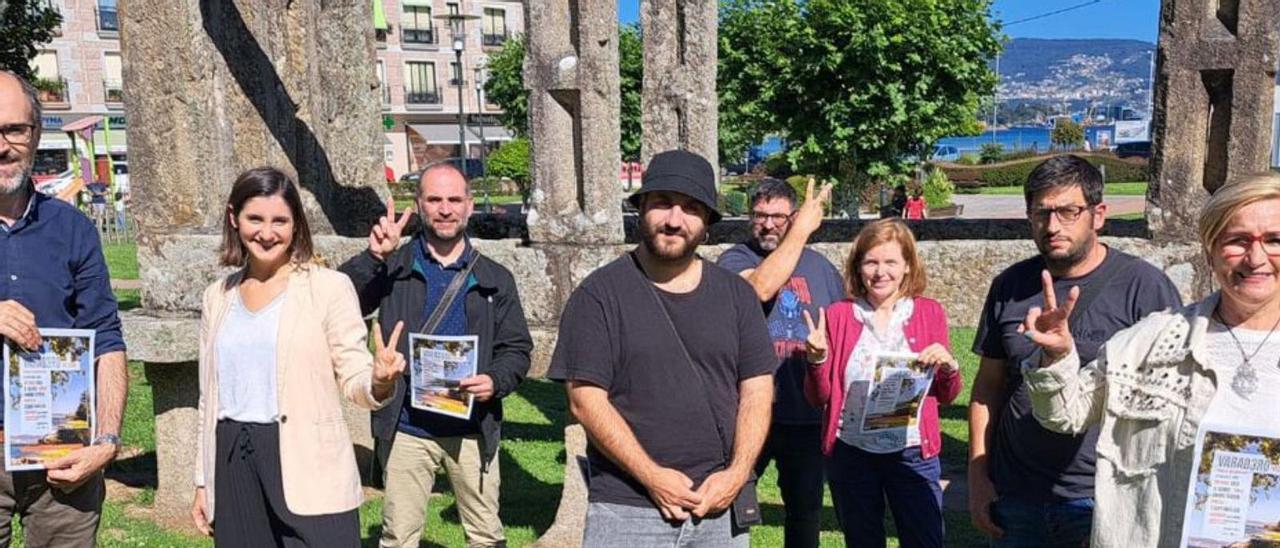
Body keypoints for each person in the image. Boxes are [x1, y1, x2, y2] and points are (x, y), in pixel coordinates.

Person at [1018, 172, 1280, 546]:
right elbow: (1064, 414)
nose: (1256, 258)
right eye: (1237, 241)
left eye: (1274, 240)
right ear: (1211, 250)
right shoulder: (1151, 339)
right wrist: (1057, 355)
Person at [548, 149, 775, 546]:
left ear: (707, 223)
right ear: (641, 210)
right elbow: (585, 400)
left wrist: (737, 474)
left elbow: (757, 390)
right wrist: (652, 477)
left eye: (690, 208)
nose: (674, 219)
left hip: (719, 503)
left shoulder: (737, 296)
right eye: (662, 203)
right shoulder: (599, 296)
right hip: (627, 506)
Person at [967, 155, 1181, 547]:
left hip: (1100, 495)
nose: (1052, 226)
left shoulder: (1144, 288)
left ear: (1098, 215)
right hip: (1017, 495)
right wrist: (978, 475)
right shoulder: (1010, 286)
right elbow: (988, 388)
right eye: (1041, 213)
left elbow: (1167, 408)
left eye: (1068, 211)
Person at [189, 167, 403, 546]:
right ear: (233, 218)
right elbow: (209, 397)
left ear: (296, 225)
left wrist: (379, 379)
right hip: (233, 456)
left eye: (280, 221)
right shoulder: (217, 296)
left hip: (309, 459)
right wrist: (203, 482)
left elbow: (353, 373)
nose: (267, 233)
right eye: (255, 218)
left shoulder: (328, 288)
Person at [340, 162, 532, 548]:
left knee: (485, 537)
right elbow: (340, 301)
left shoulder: (496, 278)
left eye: (454, 199)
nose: (445, 209)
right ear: (420, 204)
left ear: (469, 204)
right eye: (434, 199)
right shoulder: (394, 266)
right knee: (398, 537)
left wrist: (495, 380)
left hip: (472, 428)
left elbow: (517, 349)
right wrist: (373, 258)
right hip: (408, 427)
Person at [0, 69, 128, 547]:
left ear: (36, 133)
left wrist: (107, 442)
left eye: (15, 129)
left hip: (61, 454)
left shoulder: (73, 230)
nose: (3, 146)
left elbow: (107, 338)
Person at [803, 219, 963, 547]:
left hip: (912, 451)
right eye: (871, 262)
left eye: (890, 262)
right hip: (853, 452)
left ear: (907, 266)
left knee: (925, 540)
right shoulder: (838, 315)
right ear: (858, 267)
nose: (880, 272)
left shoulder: (929, 312)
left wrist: (948, 366)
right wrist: (817, 360)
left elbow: (947, 395)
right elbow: (818, 398)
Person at [715, 177, 840, 548]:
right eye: (759, 215)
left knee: (805, 512)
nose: (767, 224)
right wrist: (800, 231)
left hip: (804, 414)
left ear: (794, 216)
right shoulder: (736, 259)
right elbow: (758, 289)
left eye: (778, 217)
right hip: (748, 412)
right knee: (730, 504)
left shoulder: (823, 269)